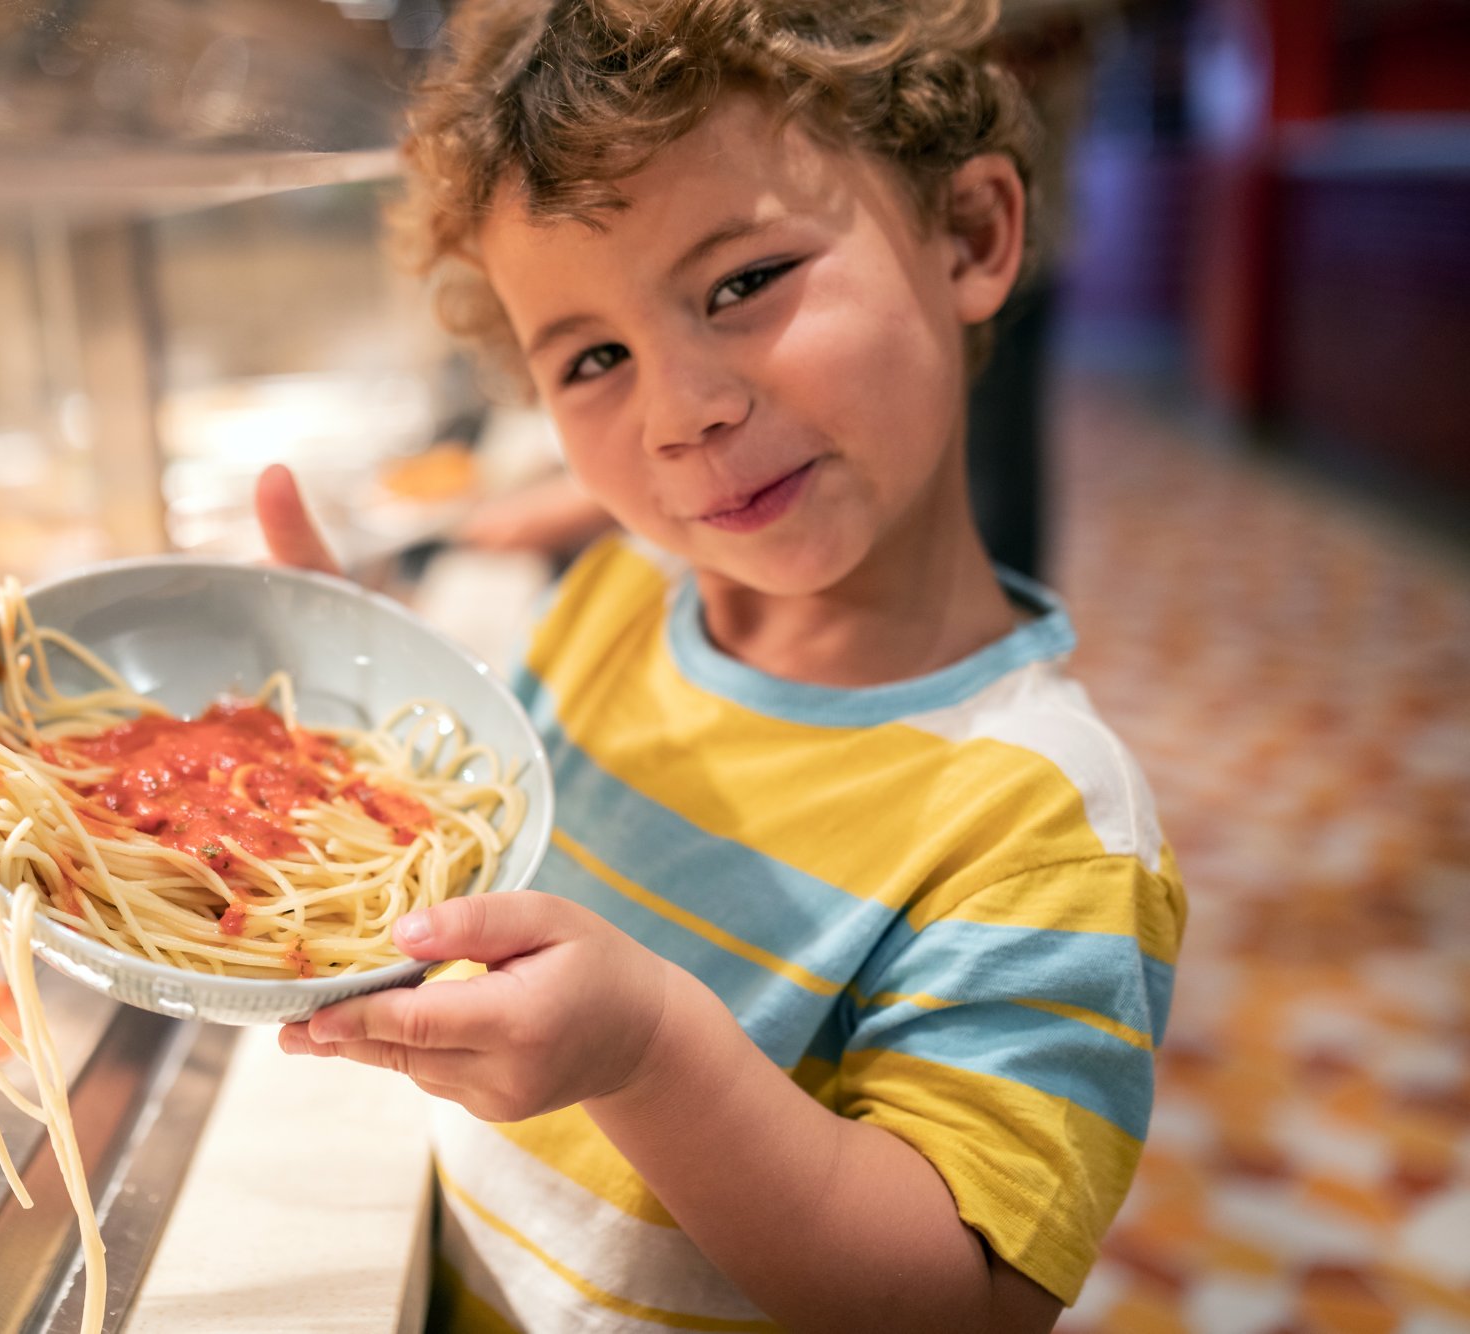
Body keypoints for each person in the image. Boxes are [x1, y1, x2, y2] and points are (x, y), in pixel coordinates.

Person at [255, 1, 1186, 1329]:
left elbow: (957, 1304)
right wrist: (346, 722)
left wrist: (648, 1052)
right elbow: (481, 847)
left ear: (971, 236)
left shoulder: (1046, 822)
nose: (683, 410)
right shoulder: (621, 597)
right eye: (595, 358)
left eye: (744, 283)